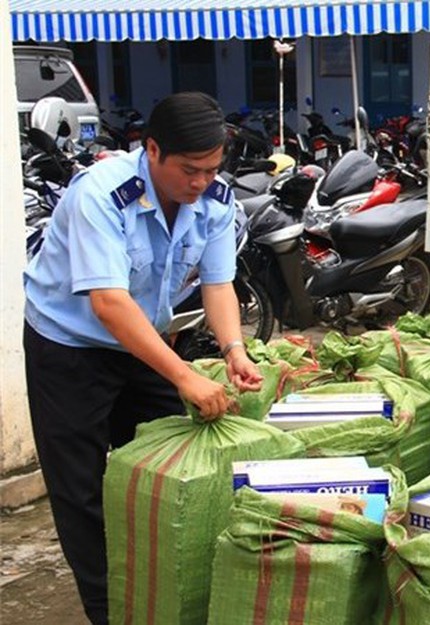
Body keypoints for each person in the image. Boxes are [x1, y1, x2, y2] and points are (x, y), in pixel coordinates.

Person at [23, 91, 262, 625]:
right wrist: (184, 376)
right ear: (152, 149)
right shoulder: (100, 194)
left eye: (211, 169)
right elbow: (108, 303)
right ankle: (109, 612)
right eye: (190, 170)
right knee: (82, 491)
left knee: (170, 469)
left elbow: (218, 283)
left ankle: (160, 595)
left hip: (143, 341)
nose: (200, 182)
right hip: (68, 346)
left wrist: (234, 350)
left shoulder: (216, 199)